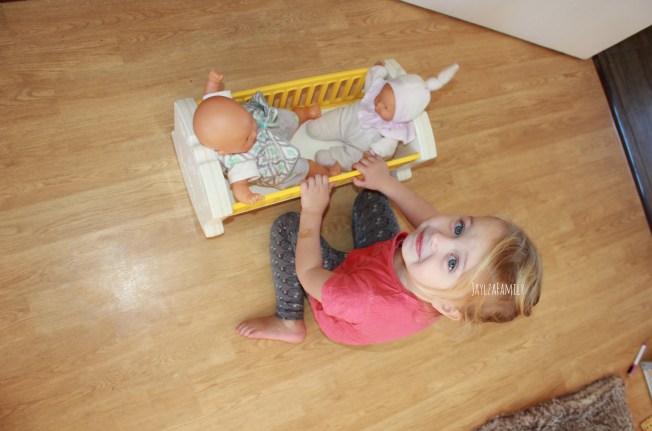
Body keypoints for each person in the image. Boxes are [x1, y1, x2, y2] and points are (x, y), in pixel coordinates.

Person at [236, 155, 542, 345]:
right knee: (374, 195)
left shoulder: (361, 299)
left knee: (289, 226)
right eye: (460, 228)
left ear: (447, 307)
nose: (439, 238)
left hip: (340, 286)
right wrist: (386, 182)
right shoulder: (441, 284)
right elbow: (429, 219)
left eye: (452, 262)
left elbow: (308, 272)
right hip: (379, 260)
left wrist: (313, 212)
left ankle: (289, 322)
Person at [193, 71, 339, 204]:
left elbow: (212, 98)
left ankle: (303, 114)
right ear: (224, 151)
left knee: (285, 120)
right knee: (306, 167)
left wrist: (213, 83)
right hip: (276, 163)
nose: (253, 133)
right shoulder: (239, 162)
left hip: (268, 130)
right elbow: (238, 186)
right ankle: (327, 175)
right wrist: (248, 196)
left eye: (250, 122)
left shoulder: (227, 115)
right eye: (246, 139)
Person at [305, 61, 459, 173]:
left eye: (386, 107)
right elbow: (373, 80)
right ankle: (322, 128)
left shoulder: (393, 133)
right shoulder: (378, 93)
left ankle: (333, 158)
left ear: (400, 116)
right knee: (327, 123)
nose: (378, 104)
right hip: (346, 121)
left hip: (358, 148)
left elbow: (386, 149)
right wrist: (378, 69)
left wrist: (372, 153)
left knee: (353, 158)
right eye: (380, 97)